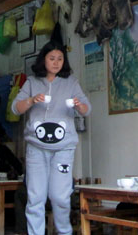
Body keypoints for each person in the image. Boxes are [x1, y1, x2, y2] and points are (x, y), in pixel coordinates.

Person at [11, 40, 91, 235]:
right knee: (35, 196)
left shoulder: (71, 82)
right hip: (36, 149)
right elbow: (16, 108)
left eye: (60, 59)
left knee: (60, 196)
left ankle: (64, 232)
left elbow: (87, 109)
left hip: (64, 148)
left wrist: (78, 105)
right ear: (43, 60)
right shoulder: (32, 82)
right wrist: (31, 100)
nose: (56, 62)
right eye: (52, 58)